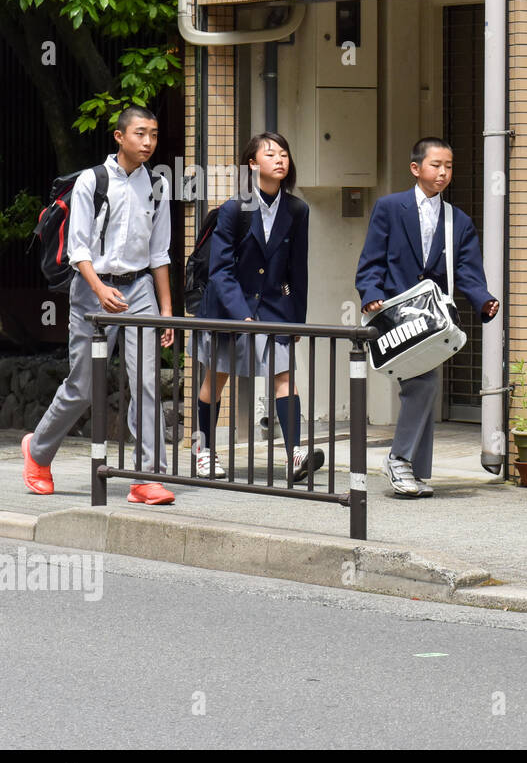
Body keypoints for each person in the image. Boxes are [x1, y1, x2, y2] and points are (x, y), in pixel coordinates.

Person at [22, 106, 176, 504]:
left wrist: (166, 310)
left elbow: (160, 254)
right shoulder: (92, 180)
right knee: (83, 386)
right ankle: (37, 453)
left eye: (154, 135)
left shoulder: (157, 186)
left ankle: (146, 478)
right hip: (92, 289)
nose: (148, 142)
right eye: (140, 133)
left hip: (139, 289)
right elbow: (78, 248)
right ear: (119, 136)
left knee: (145, 383)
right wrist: (98, 287)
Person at [355, 137, 498, 497]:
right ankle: (400, 461)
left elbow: (468, 269)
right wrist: (371, 293)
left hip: (432, 318)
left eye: (449, 166)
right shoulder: (389, 207)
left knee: (424, 381)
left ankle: (409, 469)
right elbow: (372, 257)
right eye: (436, 165)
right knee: (424, 384)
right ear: (416, 168)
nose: (443, 172)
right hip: (395, 311)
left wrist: (482, 300)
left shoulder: (458, 220)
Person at [191, 132, 324, 483]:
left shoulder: (297, 210)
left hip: (275, 308)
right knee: (216, 378)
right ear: (252, 164)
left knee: (285, 376)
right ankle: (203, 450)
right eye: (271, 154)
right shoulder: (235, 209)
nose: (280, 159)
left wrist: (296, 322)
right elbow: (221, 270)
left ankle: (295, 454)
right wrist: (242, 315)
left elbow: (298, 270)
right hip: (229, 309)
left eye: (284, 153)